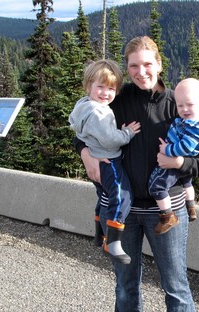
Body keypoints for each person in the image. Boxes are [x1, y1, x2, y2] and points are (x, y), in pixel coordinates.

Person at [73, 36, 199, 312]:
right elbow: (84, 132)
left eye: (147, 64)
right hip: (121, 210)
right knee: (125, 282)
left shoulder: (177, 103)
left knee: (175, 285)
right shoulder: (115, 103)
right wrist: (84, 153)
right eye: (134, 65)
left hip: (167, 211)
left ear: (159, 64)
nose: (141, 72)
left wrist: (180, 161)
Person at [69, 59, 141, 264]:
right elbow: (110, 139)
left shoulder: (83, 105)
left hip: (97, 159)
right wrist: (127, 133)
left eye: (111, 88)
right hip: (109, 160)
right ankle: (113, 242)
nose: (105, 93)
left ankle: (99, 233)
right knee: (121, 196)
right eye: (100, 87)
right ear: (88, 86)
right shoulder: (99, 112)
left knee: (104, 196)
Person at [148, 77, 199, 234]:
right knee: (187, 182)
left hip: (172, 165)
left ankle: (167, 216)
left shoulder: (195, 127)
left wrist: (167, 151)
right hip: (181, 172)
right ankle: (191, 206)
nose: (184, 109)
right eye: (180, 106)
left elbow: (185, 148)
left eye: (190, 105)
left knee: (156, 187)